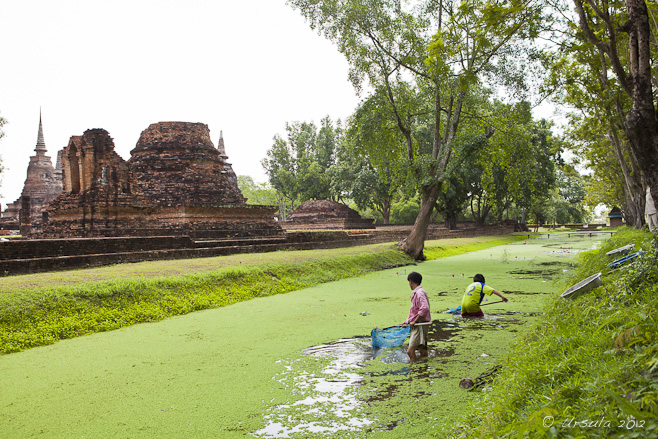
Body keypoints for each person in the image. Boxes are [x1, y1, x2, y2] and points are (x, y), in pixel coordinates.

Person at [401, 271, 431, 362]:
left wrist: (414, 321)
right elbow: (413, 311)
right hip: (418, 324)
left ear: (411, 281)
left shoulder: (419, 293)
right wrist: (406, 322)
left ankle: (414, 368)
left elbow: (425, 308)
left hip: (420, 324)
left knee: (410, 351)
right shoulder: (417, 293)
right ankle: (424, 367)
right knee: (422, 349)